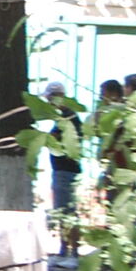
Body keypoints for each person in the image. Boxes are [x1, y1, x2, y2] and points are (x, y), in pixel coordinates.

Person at [40, 81, 82, 252]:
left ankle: (71, 251)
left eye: (50, 99)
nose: (49, 103)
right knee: (64, 211)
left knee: (67, 212)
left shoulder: (67, 117)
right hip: (63, 170)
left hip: (66, 170)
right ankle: (66, 249)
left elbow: (54, 140)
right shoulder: (65, 117)